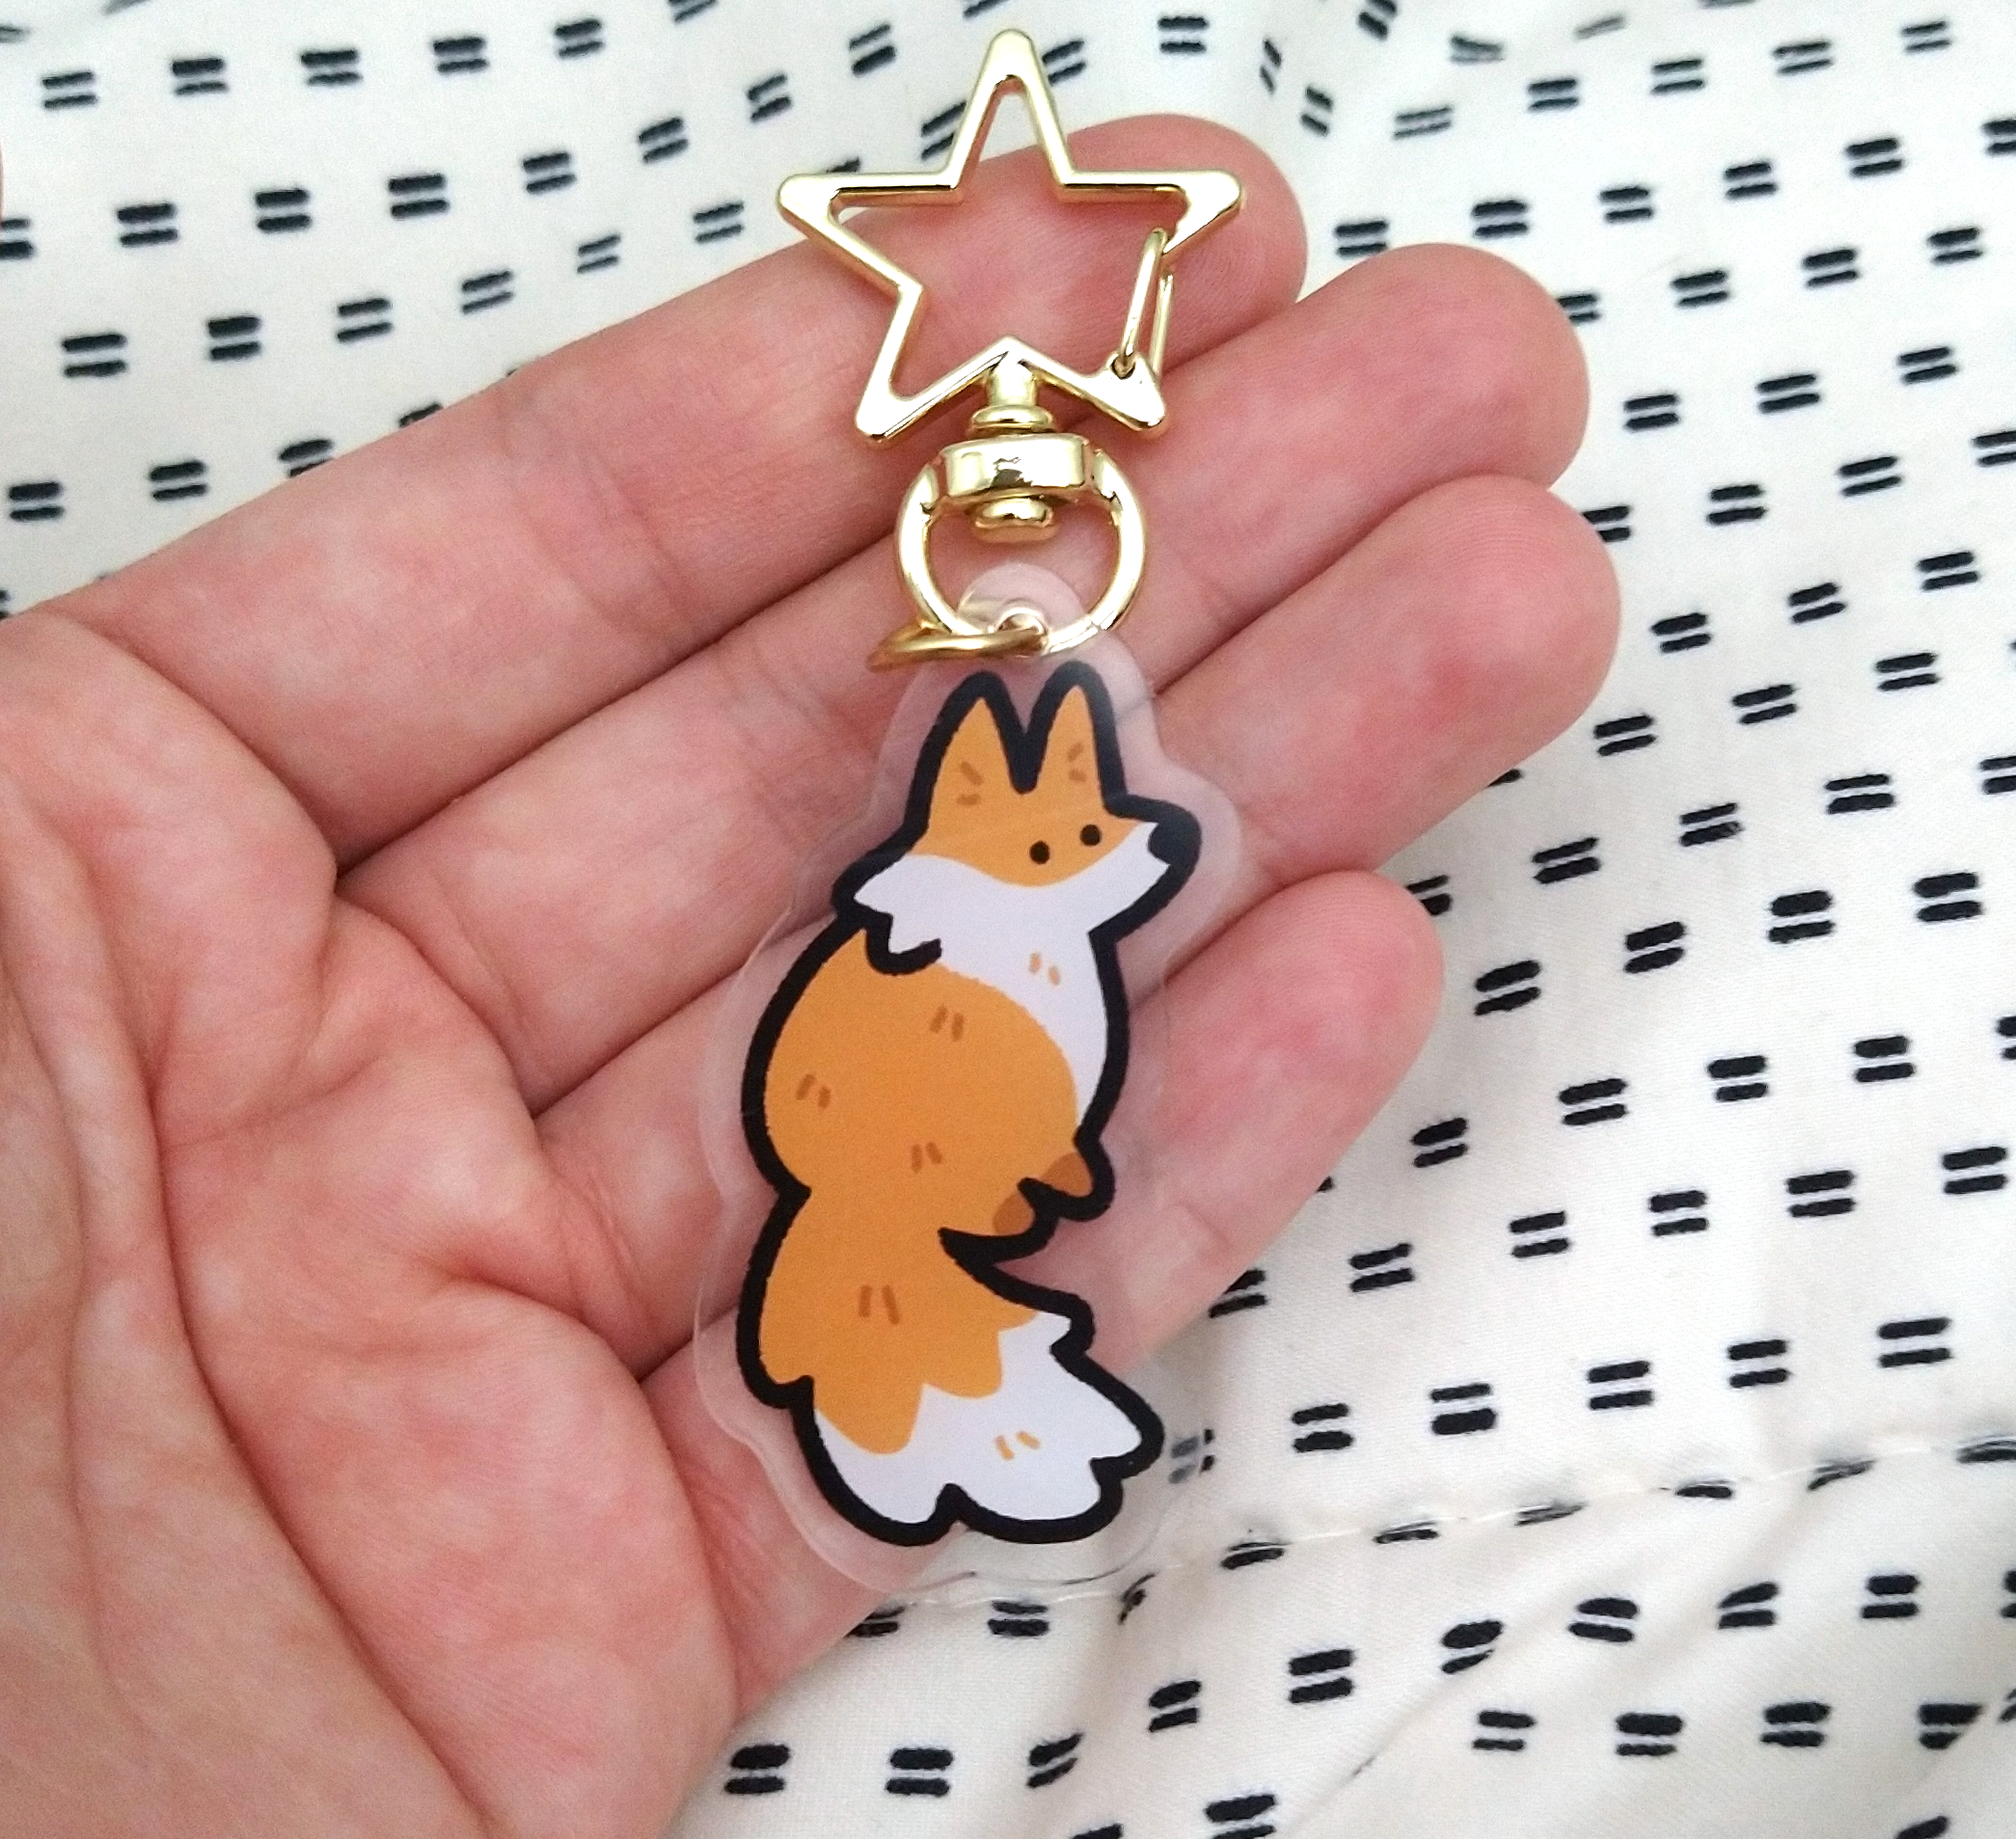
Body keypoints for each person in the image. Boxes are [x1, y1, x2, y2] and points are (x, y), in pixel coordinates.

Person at [0, 121, 1611, 1833]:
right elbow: (896, 1097)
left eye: (1094, 834)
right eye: (1070, 843)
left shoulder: (1027, 949)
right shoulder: (935, 948)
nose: (1123, 855)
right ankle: (922, 1376)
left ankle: (958, 1368)